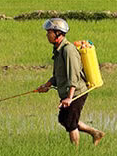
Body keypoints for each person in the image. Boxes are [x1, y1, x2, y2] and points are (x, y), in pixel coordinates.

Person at [35, 18, 104, 146]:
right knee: (64, 120)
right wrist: (46, 86)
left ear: (58, 33)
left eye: (49, 32)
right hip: (69, 92)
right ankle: (95, 133)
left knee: (71, 123)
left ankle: (75, 154)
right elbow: (58, 75)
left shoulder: (68, 50)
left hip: (77, 92)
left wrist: (69, 98)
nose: (47, 35)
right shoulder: (57, 50)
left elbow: (74, 75)